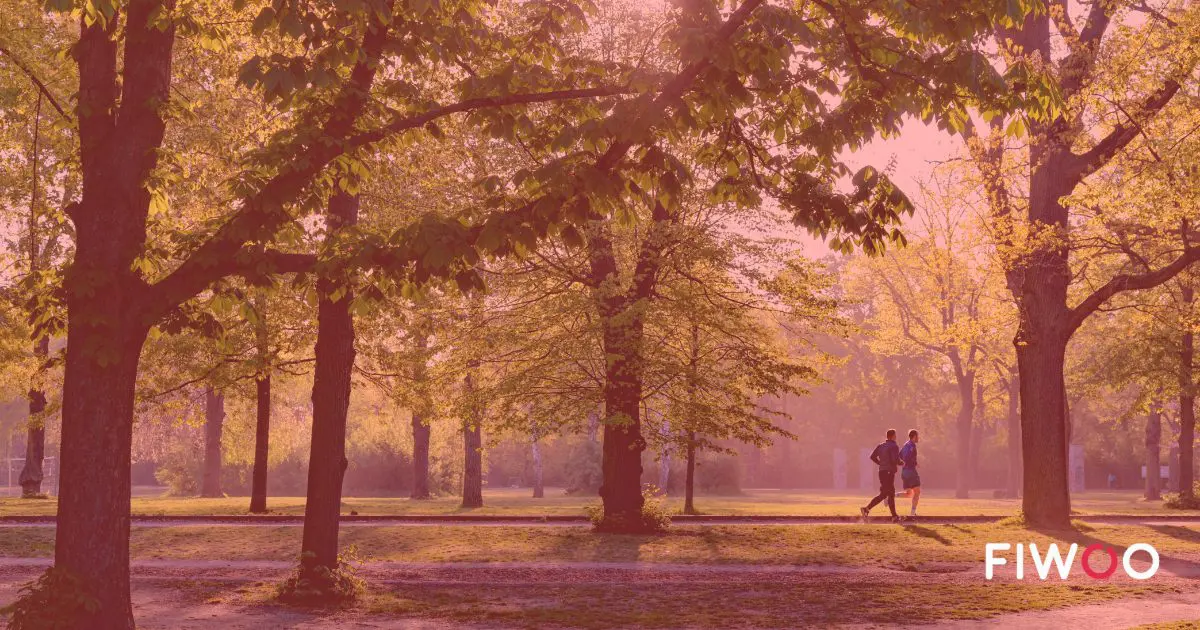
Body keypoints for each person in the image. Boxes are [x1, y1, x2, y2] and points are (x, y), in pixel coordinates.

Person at [860, 429, 901, 523]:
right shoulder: (894, 446)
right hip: (889, 472)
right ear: (893, 436)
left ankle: (894, 516)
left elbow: (872, 457)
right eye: (895, 435)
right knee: (886, 494)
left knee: (889, 493)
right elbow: (895, 459)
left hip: (882, 472)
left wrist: (880, 463)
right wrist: (901, 462)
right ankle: (866, 509)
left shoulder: (881, 446)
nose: (896, 437)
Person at [898, 429, 921, 518]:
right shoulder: (912, 446)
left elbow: (899, 456)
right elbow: (908, 457)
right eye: (918, 436)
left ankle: (890, 497)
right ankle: (912, 513)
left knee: (909, 493)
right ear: (914, 436)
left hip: (904, 472)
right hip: (911, 471)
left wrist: (902, 464)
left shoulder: (905, 445)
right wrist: (914, 463)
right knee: (917, 492)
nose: (918, 438)